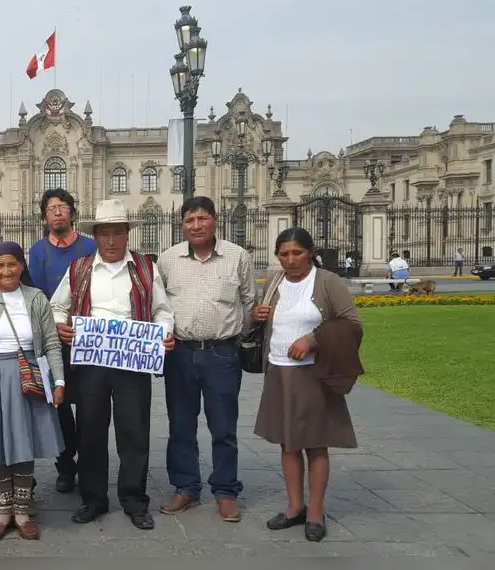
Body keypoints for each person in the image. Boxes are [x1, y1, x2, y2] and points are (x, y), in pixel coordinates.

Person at [50, 198, 175, 530]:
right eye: (105, 234)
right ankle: (93, 499)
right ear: (96, 236)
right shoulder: (79, 269)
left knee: (134, 431)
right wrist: (61, 325)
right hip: (91, 361)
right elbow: (57, 306)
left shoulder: (146, 268)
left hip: (133, 360)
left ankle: (134, 500)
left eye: (117, 233)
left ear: (127, 234)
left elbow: (162, 310)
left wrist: (163, 333)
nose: (111, 240)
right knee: (90, 430)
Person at [251, 227, 361, 542]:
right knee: (287, 443)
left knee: (315, 443)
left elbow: (352, 323)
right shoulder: (274, 282)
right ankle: (294, 506)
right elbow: (261, 324)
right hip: (279, 371)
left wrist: (312, 340)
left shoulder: (327, 282)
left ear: (310, 252)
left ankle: (315, 511)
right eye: (284, 254)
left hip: (313, 374)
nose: (290, 260)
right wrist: (256, 315)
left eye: (297, 253)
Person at [0, 241, 66, 541]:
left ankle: (22, 512)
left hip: (29, 379)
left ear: (22, 266)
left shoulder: (36, 299)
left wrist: (58, 381)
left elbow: (51, 343)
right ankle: (3, 512)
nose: (6, 271)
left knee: (23, 445)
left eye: (12, 264)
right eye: (0, 265)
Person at [157, 196, 256, 523]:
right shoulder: (169, 259)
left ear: (215, 220)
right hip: (181, 353)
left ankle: (226, 491)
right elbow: (159, 305)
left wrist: (233, 338)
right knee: (180, 425)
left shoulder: (237, 257)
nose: (196, 225)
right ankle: (185, 487)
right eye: (189, 220)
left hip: (222, 353)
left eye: (202, 218)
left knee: (223, 426)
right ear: (182, 224)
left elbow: (249, 303)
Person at [27, 188, 96, 493]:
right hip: (53, 340)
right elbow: (36, 295)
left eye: (62, 206)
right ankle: (65, 464)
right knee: (59, 404)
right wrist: (52, 327)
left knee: (90, 405)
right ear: (44, 216)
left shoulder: (90, 246)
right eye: (51, 208)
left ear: (72, 212)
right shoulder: (37, 251)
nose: (57, 212)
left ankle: (89, 463)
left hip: (87, 339)